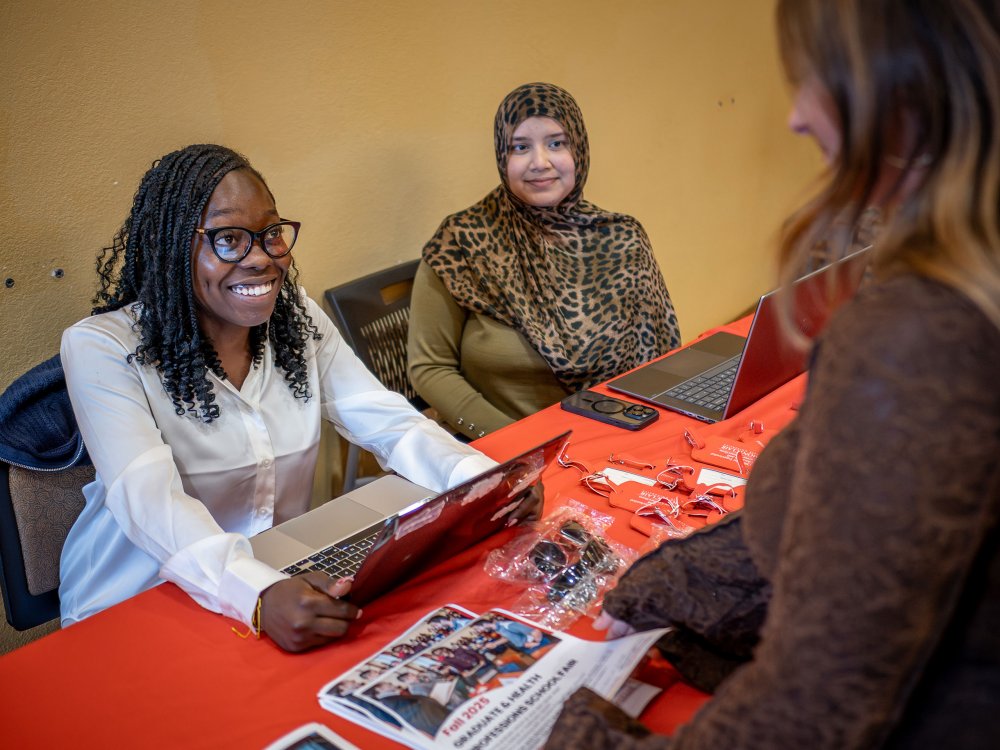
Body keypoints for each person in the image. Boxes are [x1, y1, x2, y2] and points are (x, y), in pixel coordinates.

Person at [544, 0, 1000, 747]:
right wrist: (677, 583)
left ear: (898, 92)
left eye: (816, 78)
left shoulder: (920, 333)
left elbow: (821, 702)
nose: (795, 116)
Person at [57, 144, 532, 652]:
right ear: (170, 246)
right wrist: (257, 593)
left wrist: (484, 483)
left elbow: (390, 422)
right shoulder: (101, 347)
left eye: (271, 233)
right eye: (228, 239)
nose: (260, 258)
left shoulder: (295, 318)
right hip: (137, 602)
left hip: (275, 580)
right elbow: (149, 500)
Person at [407, 82, 682, 439]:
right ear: (502, 156)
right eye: (520, 147)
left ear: (579, 149)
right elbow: (430, 368)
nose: (540, 162)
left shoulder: (623, 238)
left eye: (556, 143)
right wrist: (521, 444)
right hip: (505, 452)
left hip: (614, 440)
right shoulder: (460, 243)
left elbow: (659, 362)